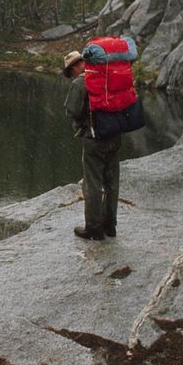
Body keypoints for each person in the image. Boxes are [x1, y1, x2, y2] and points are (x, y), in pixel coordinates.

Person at [63, 49, 121, 240]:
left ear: (76, 66)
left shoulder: (80, 83)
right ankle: (110, 225)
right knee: (112, 183)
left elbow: (72, 110)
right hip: (114, 135)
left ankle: (94, 229)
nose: (71, 75)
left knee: (93, 184)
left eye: (70, 71)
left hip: (94, 138)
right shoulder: (107, 75)